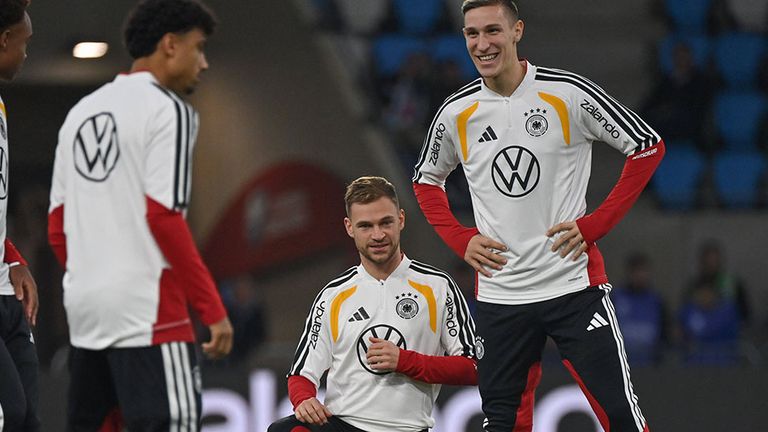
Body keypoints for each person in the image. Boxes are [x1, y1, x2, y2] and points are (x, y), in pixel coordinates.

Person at [412, 1, 665, 431]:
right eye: (471, 34)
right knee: (503, 424)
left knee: (620, 414)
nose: (482, 44)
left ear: (517, 31)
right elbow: (425, 181)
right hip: (500, 297)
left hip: (573, 287)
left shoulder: (567, 93)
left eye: (492, 31)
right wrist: (461, 238)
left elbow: (647, 146)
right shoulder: (456, 113)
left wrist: (594, 226)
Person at [47, 1, 233, 430]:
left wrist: (94, 280)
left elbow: (58, 227)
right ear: (170, 45)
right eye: (199, 48)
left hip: (87, 311)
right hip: (150, 314)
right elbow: (163, 217)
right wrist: (211, 307)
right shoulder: (170, 111)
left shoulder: (79, 114)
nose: (203, 63)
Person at [269, 176, 478, 432]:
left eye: (385, 223)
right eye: (366, 226)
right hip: (344, 424)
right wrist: (304, 400)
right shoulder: (333, 295)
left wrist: (404, 361)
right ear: (349, 227)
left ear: (401, 219)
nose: (378, 235)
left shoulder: (438, 287)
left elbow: (473, 366)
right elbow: (302, 373)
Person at [0, 1, 40, 430]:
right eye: (25, 42)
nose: (28, 53)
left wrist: (13, 257)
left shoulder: (1, 106)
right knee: (6, 411)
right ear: (4, 39)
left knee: (28, 417)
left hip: (7, 296)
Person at [611, 253, 667, 367]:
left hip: (650, 363)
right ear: (630, 273)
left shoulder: (657, 301)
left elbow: (665, 331)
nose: (640, 276)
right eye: (637, 271)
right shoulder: (615, 298)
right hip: (621, 362)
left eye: (644, 271)